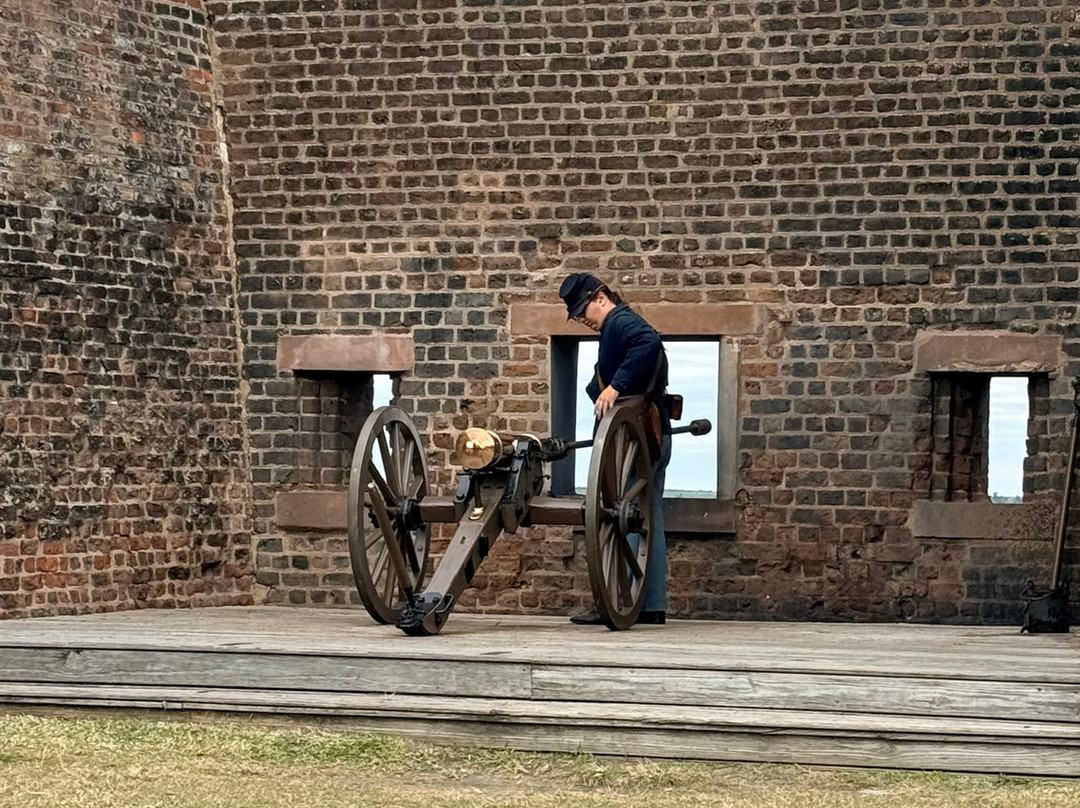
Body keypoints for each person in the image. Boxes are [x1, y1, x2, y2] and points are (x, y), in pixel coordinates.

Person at [558, 272, 671, 626]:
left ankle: (620, 600)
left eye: (582, 312)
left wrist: (615, 387)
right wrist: (600, 387)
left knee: (620, 516)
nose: (582, 321)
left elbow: (648, 343)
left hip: (635, 442)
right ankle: (649, 604)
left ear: (600, 298)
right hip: (644, 437)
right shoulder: (614, 328)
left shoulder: (620, 322)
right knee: (645, 519)